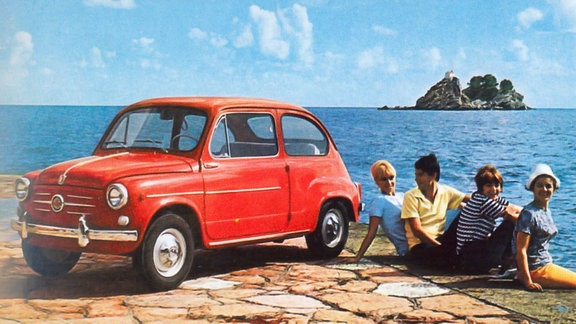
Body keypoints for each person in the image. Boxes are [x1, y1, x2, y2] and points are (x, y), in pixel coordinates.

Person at [514, 164, 576, 291]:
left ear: (554, 189)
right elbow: (521, 250)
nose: (544, 189)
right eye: (539, 185)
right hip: (536, 270)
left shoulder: (544, 210)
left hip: (545, 264)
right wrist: (527, 282)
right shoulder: (529, 214)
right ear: (532, 188)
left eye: (548, 186)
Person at [401, 153, 470, 268]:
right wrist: (440, 247)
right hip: (421, 246)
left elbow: (472, 200)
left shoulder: (445, 191)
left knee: (467, 212)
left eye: (420, 175)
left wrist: (503, 207)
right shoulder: (411, 196)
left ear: (433, 175)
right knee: (451, 259)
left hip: (441, 241)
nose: (416, 179)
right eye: (416, 175)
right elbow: (417, 230)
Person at [456, 165, 521, 274]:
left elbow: (516, 208)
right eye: (488, 185)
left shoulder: (486, 198)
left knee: (517, 221)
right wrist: (534, 221)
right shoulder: (483, 201)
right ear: (481, 187)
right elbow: (511, 216)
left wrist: (531, 213)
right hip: (471, 257)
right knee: (510, 224)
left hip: (471, 255)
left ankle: (508, 262)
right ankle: (508, 262)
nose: (494, 189)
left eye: (497, 185)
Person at [344, 160, 409, 262]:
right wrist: (358, 257)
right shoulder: (379, 201)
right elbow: (372, 232)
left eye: (391, 178)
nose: (389, 183)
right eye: (383, 179)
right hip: (408, 250)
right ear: (376, 181)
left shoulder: (403, 196)